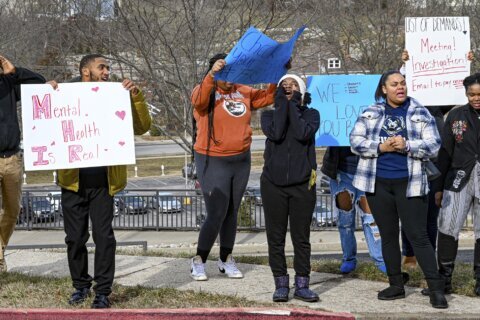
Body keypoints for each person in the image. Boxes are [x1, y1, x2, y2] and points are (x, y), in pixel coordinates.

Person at [50, 54, 151, 308]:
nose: (107, 72)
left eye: (108, 68)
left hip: (105, 181)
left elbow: (142, 127)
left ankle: (103, 291)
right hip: (73, 181)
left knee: (104, 237)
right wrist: (46, 94)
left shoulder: (117, 94)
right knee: (75, 237)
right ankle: (80, 286)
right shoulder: (65, 94)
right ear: (86, 71)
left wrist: (136, 96)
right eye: (102, 67)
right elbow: (45, 122)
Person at [350, 70, 448, 308]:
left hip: (410, 183)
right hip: (377, 183)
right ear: (384, 89)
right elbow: (355, 141)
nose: (400, 87)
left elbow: (434, 145)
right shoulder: (371, 112)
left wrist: (408, 145)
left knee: (419, 236)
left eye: (402, 83)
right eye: (394, 84)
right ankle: (396, 285)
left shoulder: (420, 111)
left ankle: (436, 289)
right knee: (388, 236)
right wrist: (380, 147)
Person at [190, 53, 276, 281]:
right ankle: (199, 260)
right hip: (212, 159)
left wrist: (277, 72)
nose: (229, 79)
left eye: (232, 73)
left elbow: (268, 96)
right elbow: (197, 101)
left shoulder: (244, 91)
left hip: (240, 160)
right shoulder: (205, 91)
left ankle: (226, 259)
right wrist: (211, 75)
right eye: (224, 73)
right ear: (215, 73)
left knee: (231, 212)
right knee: (216, 212)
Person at [399, 49, 474, 270]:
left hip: (434, 164)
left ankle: (429, 257)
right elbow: (395, 85)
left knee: (431, 215)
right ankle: (410, 254)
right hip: (409, 162)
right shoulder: (403, 106)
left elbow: (455, 92)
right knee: (409, 213)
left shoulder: (437, 108)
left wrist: (463, 63)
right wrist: (405, 66)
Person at [261, 74, 320, 302]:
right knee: (275, 237)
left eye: (293, 85)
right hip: (273, 185)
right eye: (284, 86)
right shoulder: (268, 116)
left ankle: (303, 284)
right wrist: (283, 105)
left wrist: (294, 103)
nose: (288, 88)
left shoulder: (311, 115)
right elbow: (276, 133)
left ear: (302, 91)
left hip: (302, 185)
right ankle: (281, 284)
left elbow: (302, 132)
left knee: (300, 237)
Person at [433, 73, 480, 297]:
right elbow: (445, 152)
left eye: (479, 94)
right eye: (471, 94)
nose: (476, 98)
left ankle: (479, 280)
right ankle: (444, 279)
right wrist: (440, 187)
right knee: (448, 227)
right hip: (458, 179)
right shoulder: (456, 115)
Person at [0, 55, 46, 272]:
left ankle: (0, 249)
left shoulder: (8, 84)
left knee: (12, 210)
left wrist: (14, 71)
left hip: (13, 159)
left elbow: (38, 83)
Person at [321, 147, 386, 274]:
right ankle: (349, 258)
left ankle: (380, 260)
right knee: (345, 219)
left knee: (371, 219)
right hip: (341, 169)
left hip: (368, 169)